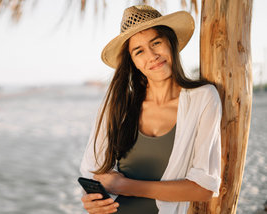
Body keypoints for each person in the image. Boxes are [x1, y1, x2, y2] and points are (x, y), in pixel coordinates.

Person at [79, 5, 222, 214]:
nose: (152, 55)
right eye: (139, 51)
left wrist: (125, 186)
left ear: (170, 43)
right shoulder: (117, 106)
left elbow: (204, 188)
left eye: (156, 43)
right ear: (134, 62)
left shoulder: (203, 98)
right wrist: (91, 200)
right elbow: (92, 171)